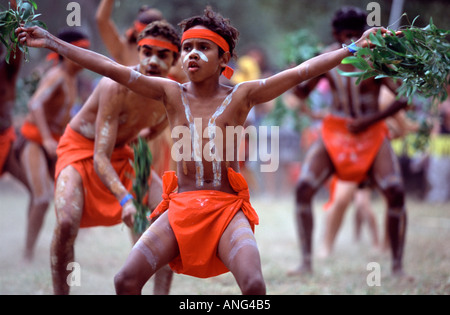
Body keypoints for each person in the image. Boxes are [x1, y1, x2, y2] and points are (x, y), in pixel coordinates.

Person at [17, 6, 387, 295]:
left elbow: (302, 72)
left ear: (224, 60)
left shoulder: (243, 95)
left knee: (255, 288)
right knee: (125, 281)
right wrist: (52, 41)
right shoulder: (170, 92)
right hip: (180, 209)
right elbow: (112, 69)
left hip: (225, 211)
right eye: (188, 46)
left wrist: (354, 47)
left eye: (203, 47)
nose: (191, 54)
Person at [47, 21, 181, 295]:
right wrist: (125, 198)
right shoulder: (115, 86)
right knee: (66, 223)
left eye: (162, 55)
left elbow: (154, 129)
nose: (153, 61)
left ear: (174, 61)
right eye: (147, 52)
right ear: (138, 52)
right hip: (81, 150)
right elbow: (100, 157)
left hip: (122, 153)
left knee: (169, 221)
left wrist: (139, 141)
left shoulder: (171, 94)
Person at [290, 6, 410, 278]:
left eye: (358, 35)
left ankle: (398, 266)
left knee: (395, 191)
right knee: (303, 188)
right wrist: (296, 73)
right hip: (335, 131)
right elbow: (301, 91)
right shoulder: (326, 58)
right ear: (335, 34)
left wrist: (371, 120)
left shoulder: (377, 57)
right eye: (348, 36)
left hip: (371, 131)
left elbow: (403, 97)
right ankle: (306, 261)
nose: (355, 41)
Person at [14, 28, 89, 262]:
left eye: (86, 51)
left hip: (54, 147)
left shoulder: (72, 78)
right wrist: (46, 138)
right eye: (81, 51)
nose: (85, 56)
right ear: (66, 53)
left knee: (59, 195)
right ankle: (27, 253)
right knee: (43, 198)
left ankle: (42, 248)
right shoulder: (57, 75)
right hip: (34, 142)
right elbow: (35, 104)